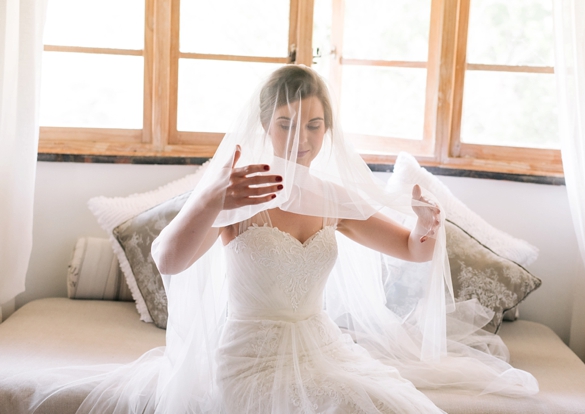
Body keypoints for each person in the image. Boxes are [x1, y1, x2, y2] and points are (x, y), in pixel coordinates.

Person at [25, 65, 538, 413]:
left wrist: (428, 224)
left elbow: (411, 249)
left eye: (315, 125)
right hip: (249, 356)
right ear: (266, 126)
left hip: (321, 348)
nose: (302, 139)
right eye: (287, 124)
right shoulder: (238, 190)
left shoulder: (332, 196)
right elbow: (167, 259)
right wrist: (211, 202)